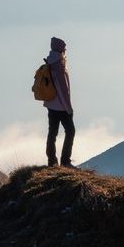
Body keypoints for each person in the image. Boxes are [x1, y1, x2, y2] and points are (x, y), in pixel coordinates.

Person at [43, 36, 75, 168]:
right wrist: (69, 108)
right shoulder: (59, 64)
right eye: (64, 49)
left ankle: (52, 162)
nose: (65, 51)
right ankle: (65, 161)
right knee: (70, 131)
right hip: (61, 107)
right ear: (61, 50)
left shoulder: (49, 61)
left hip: (50, 104)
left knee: (52, 133)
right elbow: (63, 90)